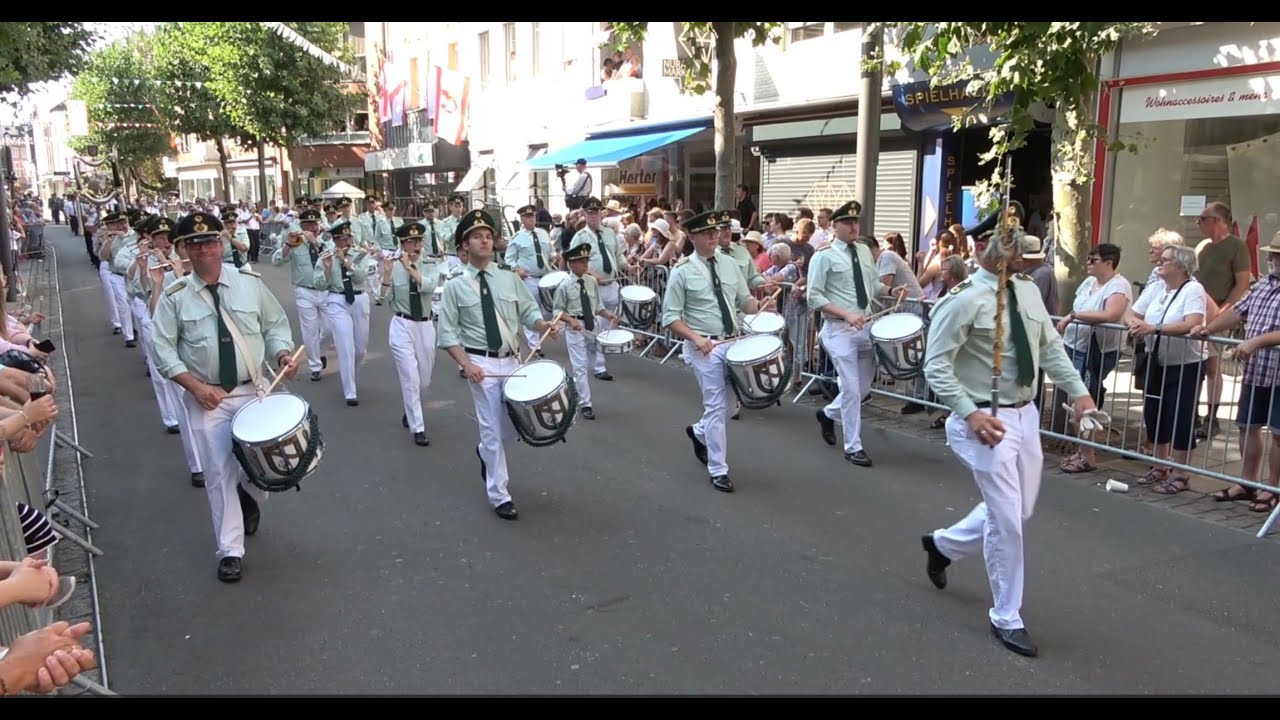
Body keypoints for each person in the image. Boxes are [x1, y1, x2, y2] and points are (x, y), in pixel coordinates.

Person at [919, 220, 1096, 657]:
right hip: (982, 420)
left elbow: (1050, 349)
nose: (1026, 263)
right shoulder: (962, 301)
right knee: (1007, 520)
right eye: (1018, 255)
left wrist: (1081, 396)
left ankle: (943, 545)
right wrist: (971, 413)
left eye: (1029, 257)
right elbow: (936, 366)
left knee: (1020, 507)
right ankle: (1007, 616)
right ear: (991, 250)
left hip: (1024, 415)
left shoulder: (1028, 291)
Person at [151, 212, 298, 583]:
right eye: (196, 243)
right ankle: (230, 550)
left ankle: (248, 494)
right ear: (184, 249)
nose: (205, 249)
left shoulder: (249, 283)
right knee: (218, 473)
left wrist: (282, 354)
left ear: (222, 243)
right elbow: (163, 350)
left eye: (211, 241)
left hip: (252, 390)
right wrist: (195, 387)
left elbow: (275, 325)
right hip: (208, 397)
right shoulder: (175, 297)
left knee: (262, 472)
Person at [436, 209, 560, 520]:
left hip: (513, 360)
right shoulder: (455, 285)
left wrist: (543, 325)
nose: (485, 241)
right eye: (477, 237)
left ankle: (485, 453)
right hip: (481, 363)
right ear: (465, 246)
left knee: (513, 427)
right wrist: (466, 364)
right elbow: (447, 334)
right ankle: (500, 494)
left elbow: (529, 311)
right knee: (491, 428)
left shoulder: (508, 278)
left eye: (489, 236)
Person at [662, 210, 763, 493]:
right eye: (707, 233)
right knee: (717, 407)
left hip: (732, 342)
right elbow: (670, 317)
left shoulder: (731, 264)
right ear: (692, 236)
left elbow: (744, 302)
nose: (713, 236)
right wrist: (695, 338)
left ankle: (698, 432)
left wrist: (762, 305)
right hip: (703, 346)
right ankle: (718, 469)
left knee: (731, 407)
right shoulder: (681, 271)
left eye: (716, 231)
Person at [807, 201, 882, 467]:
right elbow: (813, 296)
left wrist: (891, 291)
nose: (853, 227)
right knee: (850, 388)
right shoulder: (823, 255)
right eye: (847, 223)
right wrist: (846, 313)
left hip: (866, 327)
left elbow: (872, 285)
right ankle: (853, 446)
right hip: (838, 329)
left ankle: (828, 414)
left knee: (861, 390)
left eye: (856, 222)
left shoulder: (863, 250)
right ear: (834, 226)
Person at [381, 221, 443, 446]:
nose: (416, 246)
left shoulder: (430, 263)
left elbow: (427, 286)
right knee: (410, 376)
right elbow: (381, 299)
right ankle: (418, 427)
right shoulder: (393, 265)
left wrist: (410, 268)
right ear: (402, 244)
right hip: (402, 325)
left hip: (425, 325)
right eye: (411, 242)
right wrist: (387, 276)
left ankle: (410, 408)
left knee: (423, 381)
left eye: (419, 241)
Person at [552, 242, 618, 421]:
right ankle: (585, 403)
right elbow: (557, 311)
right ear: (571, 263)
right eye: (581, 261)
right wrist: (571, 320)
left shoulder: (591, 282)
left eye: (586, 260)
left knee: (595, 356)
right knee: (580, 366)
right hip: (575, 328)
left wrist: (607, 314)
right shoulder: (564, 285)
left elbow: (597, 306)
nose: (585, 264)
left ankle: (580, 380)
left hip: (592, 325)